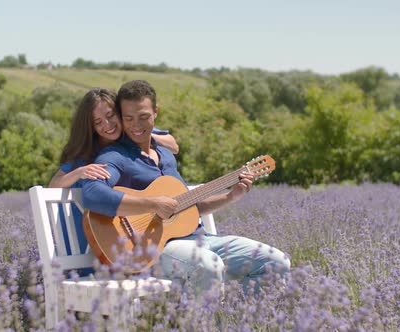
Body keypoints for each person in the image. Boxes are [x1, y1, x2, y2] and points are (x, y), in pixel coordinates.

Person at [80, 80, 290, 295]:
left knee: (276, 262)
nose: (136, 125)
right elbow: (92, 194)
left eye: (143, 117)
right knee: (208, 265)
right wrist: (152, 203)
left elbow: (189, 208)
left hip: (200, 240)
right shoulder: (116, 156)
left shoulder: (167, 155)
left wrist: (230, 197)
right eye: (129, 118)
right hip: (156, 250)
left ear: (155, 112)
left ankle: (240, 320)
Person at [48, 87, 179, 266]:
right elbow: (53, 185)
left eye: (110, 116)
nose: (107, 125)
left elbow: (173, 145)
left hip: (127, 232)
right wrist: (79, 172)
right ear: (91, 127)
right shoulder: (87, 151)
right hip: (93, 235)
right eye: (98, 122)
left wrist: (145, 133)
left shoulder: (133, 133)